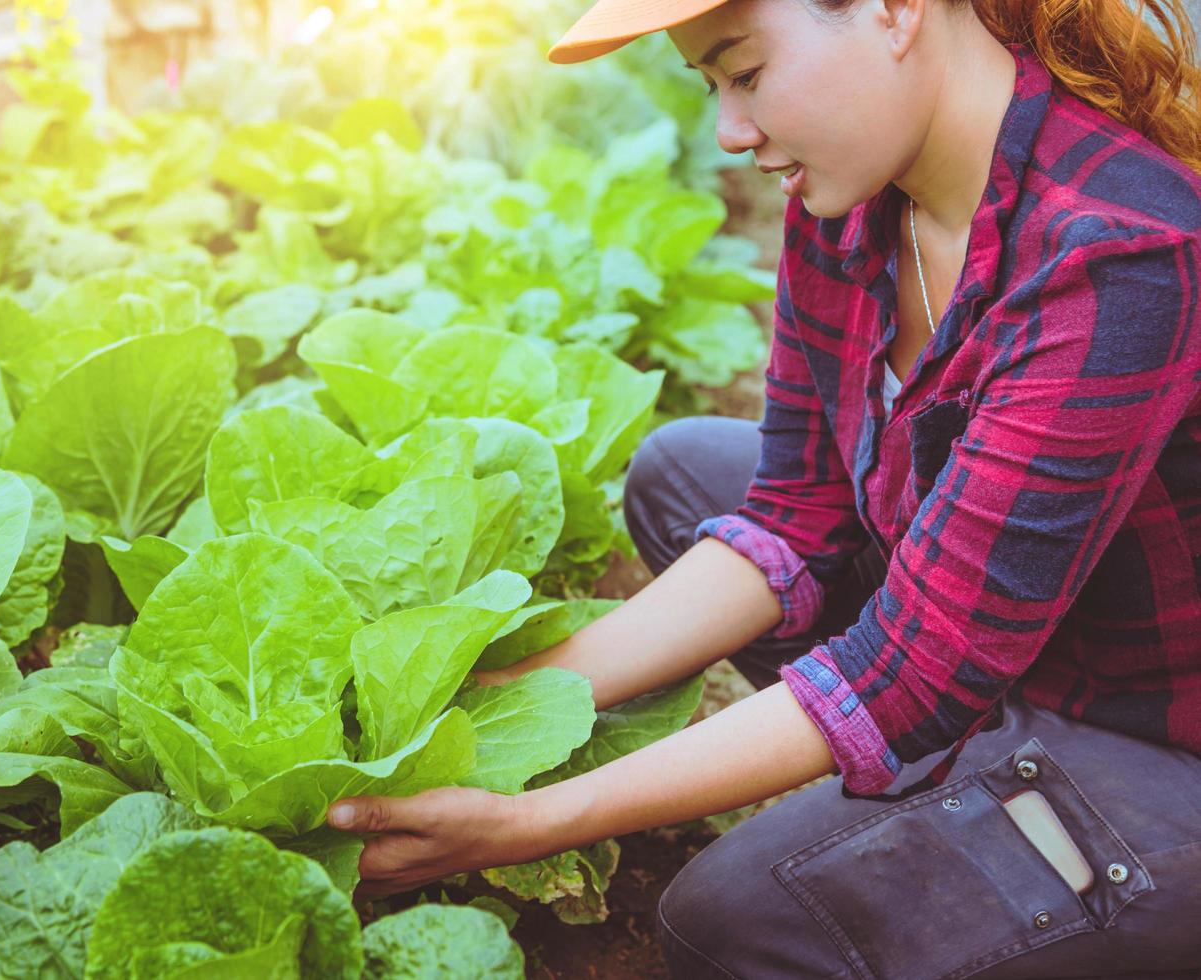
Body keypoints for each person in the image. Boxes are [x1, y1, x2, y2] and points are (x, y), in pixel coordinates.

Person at [324, 1, 1201, 975]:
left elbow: (915, 666)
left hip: (1151, 740)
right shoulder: (857, 200)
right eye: (710, 87)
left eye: (744, 74)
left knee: (737, 918)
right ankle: (937, 794)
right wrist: (511, 695)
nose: (729, 131)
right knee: (684, 472)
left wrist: (523, 820)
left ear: (894, 10)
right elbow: (796, 509)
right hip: (998, 651)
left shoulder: (1117, 253)